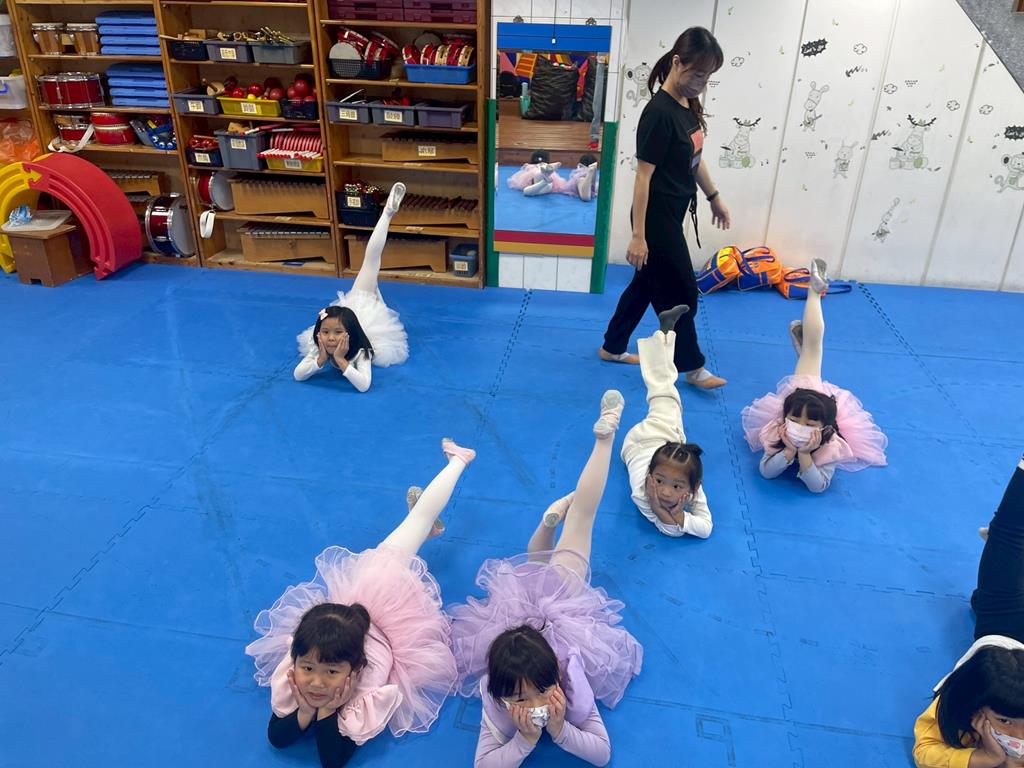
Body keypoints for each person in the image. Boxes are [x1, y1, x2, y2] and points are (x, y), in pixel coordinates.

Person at [244, 438, 475, 767]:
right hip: (359, 610)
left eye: (331, 672)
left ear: (354, 671)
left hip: (384, 593)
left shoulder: (365, 689)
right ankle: (420, 531)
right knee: (408, 536)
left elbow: (332, 761)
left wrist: (326, 710)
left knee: (417, 522)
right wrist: (308, 710)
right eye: (308, 668)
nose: (317, 682)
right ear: (296, 659)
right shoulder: (295, 673)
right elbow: (276, 738)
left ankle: (459, 460)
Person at [448, 390, 643, 767]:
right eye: (521, 699)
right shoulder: (496, 695)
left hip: (556, 610)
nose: (537, 705)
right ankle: (548, 523)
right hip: (538, 608)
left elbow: (602, 754)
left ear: (557, 677)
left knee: (581, 519)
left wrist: (559, 729)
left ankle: (605, 439)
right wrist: (524, 740)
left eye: (542, 690)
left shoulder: (569, 675)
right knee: (541, 564)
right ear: (500, 694)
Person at [600, 27, 730, 390]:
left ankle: (612, 346)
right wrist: (638, 236)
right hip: (655, 217)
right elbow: (643, 177)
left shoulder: (687, 107)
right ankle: (692, 367)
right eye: (698, 74)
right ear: (676, 62)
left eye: (708, 77)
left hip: (674, 211)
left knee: (645, 284)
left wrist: (713, 196)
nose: (702, 83)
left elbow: (694, 159)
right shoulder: (658, 113)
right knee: (682, 290)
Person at [913, 453, 1024, 768]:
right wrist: (990, 757)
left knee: (1008, 538)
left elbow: (926, 753)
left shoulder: (975, 697)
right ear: (978, 710)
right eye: (1005, 721)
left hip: (1001, 623)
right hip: (1003, 624)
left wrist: (984, 758)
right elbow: (925, 749)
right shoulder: (966, 703)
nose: (1018, 733)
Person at [741, 259, 887, 493]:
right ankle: (813, 296)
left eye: (809, 425)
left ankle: (810, 310)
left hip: (810, 399)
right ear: (785, 417)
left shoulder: (830, 443)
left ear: (824, 428)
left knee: (812, 352)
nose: (800, 427)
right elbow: (766, 471)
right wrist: (789, 450)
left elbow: (818, 486)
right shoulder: (779, 429)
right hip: (805, 395)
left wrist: (805, 454)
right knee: (813, 351)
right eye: (796, 420)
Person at [294, 183, 409, 392]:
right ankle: (375, 291)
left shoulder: (360, 349)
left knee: (371, 261)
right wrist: (321, 358)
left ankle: (387, 213)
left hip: (361, 306)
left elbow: (364, 385)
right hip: (367, 313)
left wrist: (341, 360)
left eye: (337, 332)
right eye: (326, 332)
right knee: (370, 272)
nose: (331, 338)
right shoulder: (320, 345)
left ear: (348, 334)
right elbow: (298, 375)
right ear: (319, 333)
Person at [621, 305, 712, 537]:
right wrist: (669, 512)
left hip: (637, 443)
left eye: (677, 486)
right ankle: (665, 333)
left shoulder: (646, 494)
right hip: (666, 442)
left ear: (695, 487)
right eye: (660, 481)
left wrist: (664, 510)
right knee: (669, 399)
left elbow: (695, 529)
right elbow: (686, 528)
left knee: (663, 392)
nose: (665, 492)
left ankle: (664, 334)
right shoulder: (645, 490)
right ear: (651, 476)